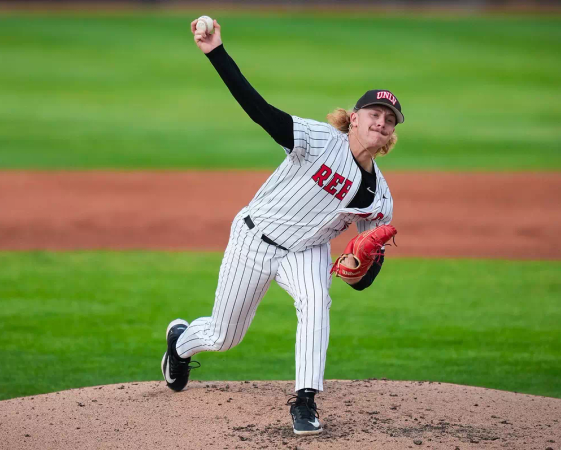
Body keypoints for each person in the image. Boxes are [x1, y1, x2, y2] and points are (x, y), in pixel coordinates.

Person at [161, 17, 404, 436]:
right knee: (224, 336)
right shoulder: (318, 138)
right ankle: (179, 343)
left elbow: (362, 279)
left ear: (389, 137)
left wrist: (363, 266)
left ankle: (305, 401)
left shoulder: (379, 197)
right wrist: (215, 52)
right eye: (374, 113)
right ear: (356, 117)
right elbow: (259, 110)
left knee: (316, 302)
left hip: (307, 250)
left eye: (389, 120)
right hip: (255, 239)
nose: (380, 122)